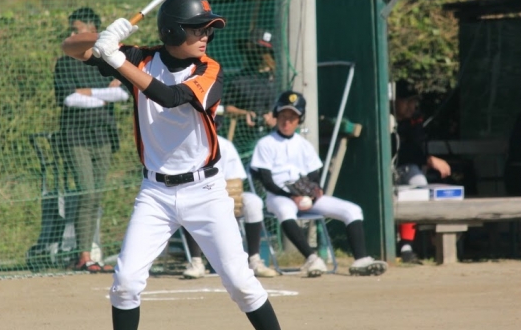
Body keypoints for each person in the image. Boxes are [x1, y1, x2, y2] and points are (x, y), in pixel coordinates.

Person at [61, 0, 290, 330]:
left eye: (208, 30)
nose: (206, 36)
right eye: (197, 29)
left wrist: (116, 59)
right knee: (125, 283)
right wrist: (104, 38)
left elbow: (169, 97)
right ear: (172, 31)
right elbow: (70, 47)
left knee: (241, 284)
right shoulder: (141, 58)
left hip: (206, 192)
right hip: (156, 194)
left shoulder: (209, 70)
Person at [250, 90, 388, 277]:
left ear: (300, 119)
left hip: (304, 197)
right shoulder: (265, 143)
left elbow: (314, 177)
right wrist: (291, 196)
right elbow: (266, 181)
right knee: (285, 210)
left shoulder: (304, 145)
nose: (287, 121)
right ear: (276, 115)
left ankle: (361, 260)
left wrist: (313, 194)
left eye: (292, 117)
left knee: (353, 210)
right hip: (278, 196)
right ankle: (312, 258)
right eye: (283, 116)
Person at [54, 7, 130, 273]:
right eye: (71, 30)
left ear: (92, 30)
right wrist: (103, 94)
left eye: (76, 29)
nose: (71, 34)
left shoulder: (107, 60)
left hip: (104, 136)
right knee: (86, 192)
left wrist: (88, 92)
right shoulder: (64, 63)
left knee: (96, 195)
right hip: (75, 138)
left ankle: (92, 254)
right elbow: (69, 99)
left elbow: (123, 95)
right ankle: (83, 255)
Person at [182, 115, 278, 279]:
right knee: (187, 203)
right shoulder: (186, 147)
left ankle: (254, 260)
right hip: (196, 196)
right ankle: (196, 262)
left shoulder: (225, 146)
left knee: (254, 202)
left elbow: (235, 182)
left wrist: (223, 197)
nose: (211, 127)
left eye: (214, 123)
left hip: (224, 195)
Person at [393, 79, 451, 263]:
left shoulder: (414, 122)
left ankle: (407, 246)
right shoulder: (386, 118)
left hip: (406, 170)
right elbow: (398, 151)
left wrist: (426, 159)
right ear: (394, 101)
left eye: (413, 101)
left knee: (419, 184)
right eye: (406, 101)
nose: (411, 106)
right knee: (417, 182)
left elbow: (415, 150)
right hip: (387, 172)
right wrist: (428, 159)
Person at [223, 29, 278, 154]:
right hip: (244, 141)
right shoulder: (240, 79)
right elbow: (228, 108)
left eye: (263, 51)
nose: (259, 55)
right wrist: (245, 114)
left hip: (272, 139)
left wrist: (274, 118)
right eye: (256, 49)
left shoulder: (278, 79)